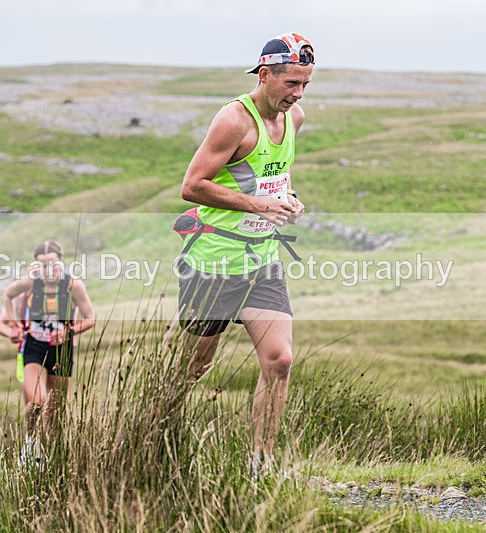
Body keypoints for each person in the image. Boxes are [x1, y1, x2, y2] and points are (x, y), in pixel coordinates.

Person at [177, 32, 312, 474]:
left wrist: (288, 199)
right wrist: (258, 205)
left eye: (305, 84)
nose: (297, 94)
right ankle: (153, 435)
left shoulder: (294, 121)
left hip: (261, 259)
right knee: (193, 369)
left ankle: (261, 464)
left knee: (280, 359)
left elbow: (270, 178)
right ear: (265, 73)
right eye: (290, 83)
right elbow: (192, 186)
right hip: (212, 259)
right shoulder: (234, 119)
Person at [1, 240, 96, 465]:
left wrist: (69, 332)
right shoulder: (30, 283)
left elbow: (90, 318)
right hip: (35, 347)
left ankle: (48, 459)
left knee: (54, 414)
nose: (48, 270)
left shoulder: (74, 286)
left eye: (52, 264)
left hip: (62, 351)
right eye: (42, 265)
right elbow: (7, 295)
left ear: (61, 263)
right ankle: (30, 444)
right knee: (35, 403)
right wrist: (14, 325)